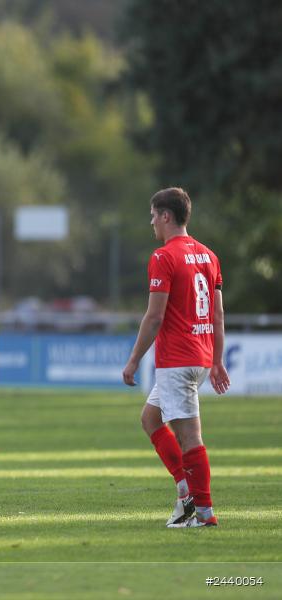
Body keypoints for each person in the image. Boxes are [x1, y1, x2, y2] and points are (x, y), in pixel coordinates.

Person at [122, 187, 230, 528]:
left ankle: (204, 512)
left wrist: (134, 360)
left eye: (154, 215)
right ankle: (185, 492)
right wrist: (216, 360)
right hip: (198, 356)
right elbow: (218, 316)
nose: (152, 221)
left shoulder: (163, 257)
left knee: (189, 437)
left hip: (177, 359)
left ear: (167, 216)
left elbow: (154, 317)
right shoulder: (209, 256)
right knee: (150, 419)